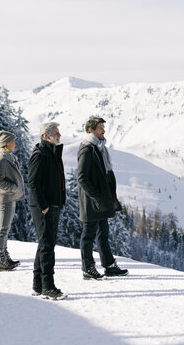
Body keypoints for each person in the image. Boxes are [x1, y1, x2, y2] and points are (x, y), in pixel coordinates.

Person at [77, 116, 128, 280]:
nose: (103, 131)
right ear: (91, 130)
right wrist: (95, 197)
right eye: (100, 128)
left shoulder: (98, 148)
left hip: (101, 201)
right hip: (92, 202)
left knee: (103, 234)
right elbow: (82, 177)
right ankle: (88, 268)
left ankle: (109, 265)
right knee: (89, 234)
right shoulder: (87, 149)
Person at [28, 121, 67, 299]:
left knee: (45, 243)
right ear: (46, 136)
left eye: (59, 133)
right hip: (44, 207)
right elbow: (33, 183)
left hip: (54, 205)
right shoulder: (40, 154)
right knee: (47, 245)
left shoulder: (52, 153)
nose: (59, 136)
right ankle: (48, 286)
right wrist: (43, 205)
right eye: (56, 133)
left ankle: (38, 285)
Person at [0, 130, 25, 271]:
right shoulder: (1, 159)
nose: (15, 144)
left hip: (9, 198)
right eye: (13, 142)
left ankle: (5, 257)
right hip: (5, 199)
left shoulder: (8, 157)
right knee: (3, 230)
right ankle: (1, 259)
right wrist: (13, 187)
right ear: (7, 143)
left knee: (5, 229)